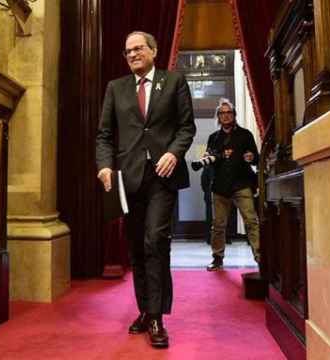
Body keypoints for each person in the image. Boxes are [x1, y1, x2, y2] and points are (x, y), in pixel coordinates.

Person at [96, 31, 196, 348]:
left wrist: (173, 153)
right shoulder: (116, 88)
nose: (133, 54)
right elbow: (104, 135)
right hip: (129, 178)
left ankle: (156, 317)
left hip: (162, 177)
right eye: (128, 51)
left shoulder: (174, 82)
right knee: (137, 246)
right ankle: (144, 309)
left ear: (154, 50)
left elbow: (186, 127)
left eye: (139, 48)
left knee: (155, 240)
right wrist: (104, 166)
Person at [204, 99, 260, 271]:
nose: (226, 116)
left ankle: (260, 258)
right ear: (218, 117)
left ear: (234, 116)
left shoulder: (246, 134)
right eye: (222, 113)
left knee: (251, 221)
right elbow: (210, 161)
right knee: (218, 225)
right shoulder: (213, 138)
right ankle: (217, 258)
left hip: (242, 184)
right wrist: (207, 158)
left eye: (229, 113)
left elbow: (256, 158)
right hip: (220, 186)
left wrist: (251, 157)